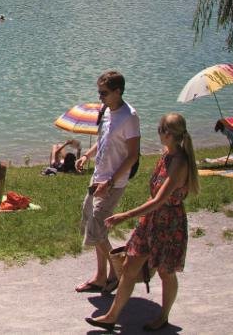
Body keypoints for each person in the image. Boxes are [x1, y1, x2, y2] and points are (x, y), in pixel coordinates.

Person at [85, 113, 199, 332]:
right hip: (151, 220)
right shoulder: (166, 155)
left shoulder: (180, 162)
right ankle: (111, 317)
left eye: (159, 129)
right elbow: (154, 197)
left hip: (169, 223)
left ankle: (163, 316)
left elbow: (159, 200)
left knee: (166, 272)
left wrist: (124, 216)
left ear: (167, 133)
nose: (157, 133)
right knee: (128, 267)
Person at [75, 70, 141, 295]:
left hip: (114, 182)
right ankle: (101, 277)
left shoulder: (129, 117)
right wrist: (87, 155)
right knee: (89, 222)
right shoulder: (106, 111)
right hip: (98, 178)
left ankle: (118, 273)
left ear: (118, 91)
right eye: (98, 92)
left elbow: (133, 155)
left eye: (104, 93)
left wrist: (110, 182)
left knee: (96, 229)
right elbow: (104, 141)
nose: (100, 97)